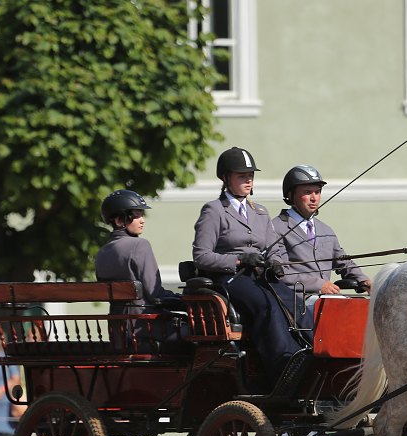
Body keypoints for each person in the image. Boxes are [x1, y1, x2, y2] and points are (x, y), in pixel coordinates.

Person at [192, 147, 313, 382]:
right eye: (241, 175)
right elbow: (201, 256)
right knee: (266, 305)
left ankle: (318, 352)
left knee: (295, 301)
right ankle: (285, 367)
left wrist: (277, 262)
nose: (248, 180)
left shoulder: (260, 212)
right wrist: (238, 259)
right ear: (225, 178)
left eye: (250, 175)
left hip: (259, 275)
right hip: (230, 279)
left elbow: (274, 247)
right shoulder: (214, 210)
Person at [96, 190, 184, 344]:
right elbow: (155, 294)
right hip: (147, 327)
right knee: (199, 331)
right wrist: (186, 300)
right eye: (136, 216)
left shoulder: (101, 253)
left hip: (118, 333)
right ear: (118, 221)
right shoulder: (140, 245)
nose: (142, 220)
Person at [272, 166, 371, 302]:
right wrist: (319, 284)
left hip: (325, 302)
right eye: (307, 192)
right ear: (291, 195)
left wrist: (363, 280)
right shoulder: (275, 228)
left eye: (317, 192)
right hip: (294, 302)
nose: (314, 198)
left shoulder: (326, 230)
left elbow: (343, 262)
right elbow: (280, 273)